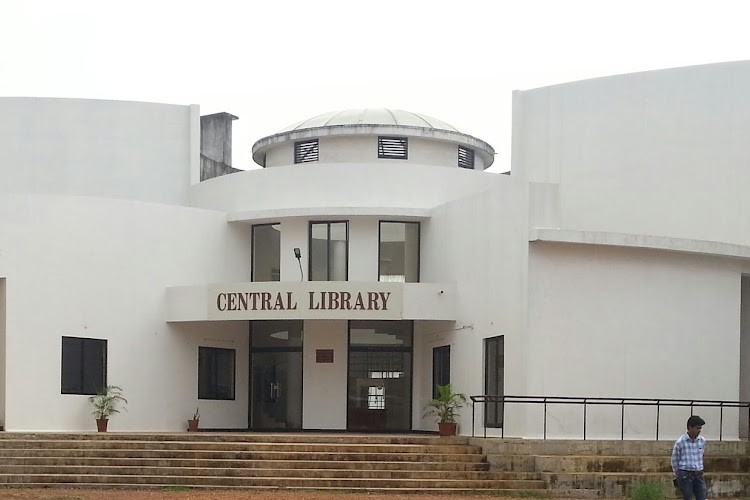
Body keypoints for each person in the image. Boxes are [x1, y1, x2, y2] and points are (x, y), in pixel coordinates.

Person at [671, 415, 707, 500]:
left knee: (702, 497)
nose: (699, 431)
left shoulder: (702, 441)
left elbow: (701, 455)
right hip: (685, 475)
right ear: (690, 427)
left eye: (700, 428)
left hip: (698, 474)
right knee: (688, 498)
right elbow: (675, 459)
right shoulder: (680, 442)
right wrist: (678, 475)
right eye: (697, 428)